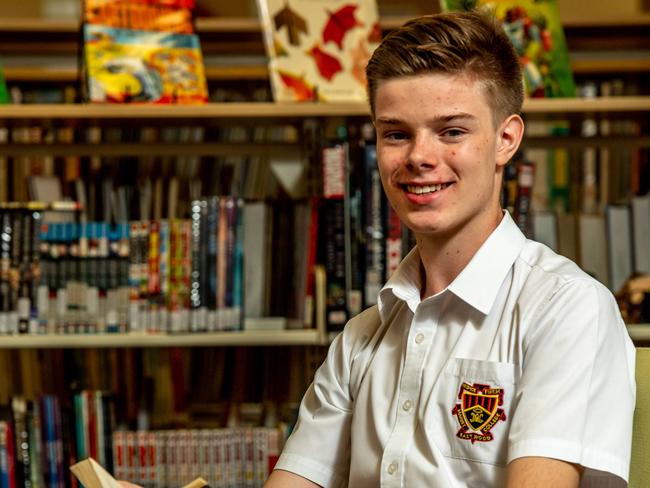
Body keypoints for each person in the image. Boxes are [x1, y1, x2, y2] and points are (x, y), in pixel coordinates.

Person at [264, 9, 635, 488]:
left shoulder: (567, 310)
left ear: (506, 139)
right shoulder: (361, 337)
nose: (419, 157)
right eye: (396, 134)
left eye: (452, 131)